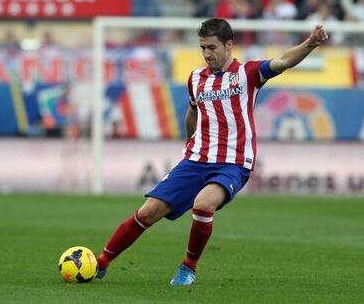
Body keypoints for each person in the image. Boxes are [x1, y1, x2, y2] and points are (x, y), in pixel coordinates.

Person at [95, 18, 328, 285]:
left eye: (212, 47)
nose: (207, 54)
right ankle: (101, 262)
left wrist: (310, 43)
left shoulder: (248, 74)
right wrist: (188, 145)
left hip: (233, 162)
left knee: (204, 204)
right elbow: (192, 113)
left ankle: (188, 268)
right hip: (196, 159)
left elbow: (283, 61)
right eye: (203, 48)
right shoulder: (196, 79)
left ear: (229, 45)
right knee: (148, 212)